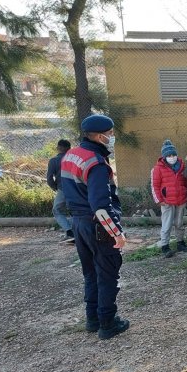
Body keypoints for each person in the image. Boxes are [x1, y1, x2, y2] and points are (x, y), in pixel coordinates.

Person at [61, 114, 129, 339]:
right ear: (100, 136)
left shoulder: (71, 155)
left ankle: (92, 318)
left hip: (78, 223)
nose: (112, 137)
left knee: (90, 273)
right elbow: (101, 207)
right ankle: (108, 323)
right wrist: (117, 234)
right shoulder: (96, 163)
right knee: (108, 274)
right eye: (110, 134)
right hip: (97, 225)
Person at [151, 139, 187, 258]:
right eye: (169, 155)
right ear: (164, 156)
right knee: (167, 224)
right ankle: (165, 246)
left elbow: (185, 182)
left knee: (179, 223)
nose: (172, 157)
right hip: (166, 201)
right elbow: (155, 185)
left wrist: (186, 194)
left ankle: (180, 242)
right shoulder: (158, 168)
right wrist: (159, 200)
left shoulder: (181, 165)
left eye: (173, 154)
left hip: (181, 199)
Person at [46, 138, 73, 243]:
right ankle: (77, 231)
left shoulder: (54, 161)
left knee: (56, 210)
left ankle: (69, 231)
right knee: (75, 210)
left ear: (58, 148)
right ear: (69, 149)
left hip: (62, 188)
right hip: (76, 189)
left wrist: (54, 187)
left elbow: (49, 178)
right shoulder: (74, 159)